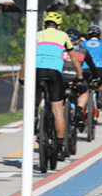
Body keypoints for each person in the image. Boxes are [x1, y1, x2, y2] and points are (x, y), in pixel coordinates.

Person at [18, 12, 82, 161]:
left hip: (37, 72)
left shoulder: (37, 35)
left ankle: (34, 115)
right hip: (54, 73)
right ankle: (59, 148)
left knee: (37, 89)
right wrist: (79, 75)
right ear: (58, 26)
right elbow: (74, 58)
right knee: (57, 109)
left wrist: (22, 77)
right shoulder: (63, 36)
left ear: (45, 24)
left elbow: (25, 58)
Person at [77, 24, 102, 123]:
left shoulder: (83, 44)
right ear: (100, 35)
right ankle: (99, 95)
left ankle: (82, 113)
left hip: (85, 70)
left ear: (88, 35)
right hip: (99, 70)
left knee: (84, 91)